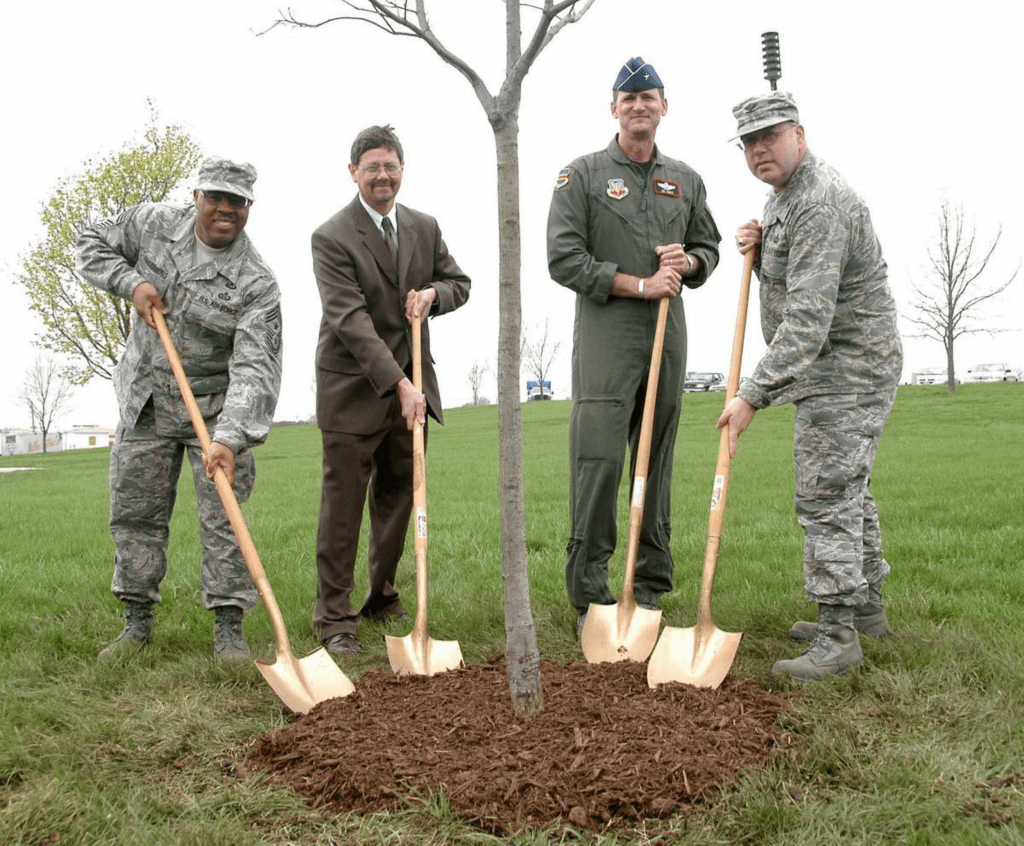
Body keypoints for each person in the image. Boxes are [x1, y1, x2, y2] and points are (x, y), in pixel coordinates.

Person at [718, 91, 903, 682]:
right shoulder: (786, 197)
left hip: (847, 365)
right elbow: (788, 266)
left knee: (826, 491)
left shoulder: (819, 202)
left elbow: (807, 322)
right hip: (834, 365)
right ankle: (865, 605)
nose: (758, 150)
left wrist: (751, 394)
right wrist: (763, 240)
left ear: (799, 132)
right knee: (849, 486)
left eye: (769, 136)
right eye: (748, 142)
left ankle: (838, 635)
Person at [75, 156, 283, 660]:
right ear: (197, 196)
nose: (224, 209)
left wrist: (229, 438)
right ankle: (136, 623)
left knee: (224, 519)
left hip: (213, 412)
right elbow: (89, 242)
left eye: (236, 201)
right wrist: (132, 284)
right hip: (145, 401)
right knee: (135, 513)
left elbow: (255, 369)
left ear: (249, 207)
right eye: (215, 197)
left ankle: (229, 630)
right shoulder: (151, 226)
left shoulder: (257, 285)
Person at [547, 57, 721, 638]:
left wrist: (690, 261)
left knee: (658, 459)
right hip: (608, 335)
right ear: (613, 108)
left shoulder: (686, 179)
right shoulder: (583, 176)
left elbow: (708, 247)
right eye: (629, 97)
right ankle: (591, 593)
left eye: (650, 97)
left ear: (664, 106)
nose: (639, 105)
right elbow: (564, 259)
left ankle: (648, 587)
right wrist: (638, 283)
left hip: (668, 335)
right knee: (599, 460)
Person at [312, 125, 471, 655]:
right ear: (353, 171)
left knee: (398, 499)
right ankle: (334, 617)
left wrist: (433, 294)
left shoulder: (424, 227)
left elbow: (459, 283)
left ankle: (381, 596)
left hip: (413, 390)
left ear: (402, 169)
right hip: (354, 390)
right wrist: (399, 384)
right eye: (373, 166)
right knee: (343, 507)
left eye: (391, 165)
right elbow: (350, 320)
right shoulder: (332, 236)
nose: (383, 175)